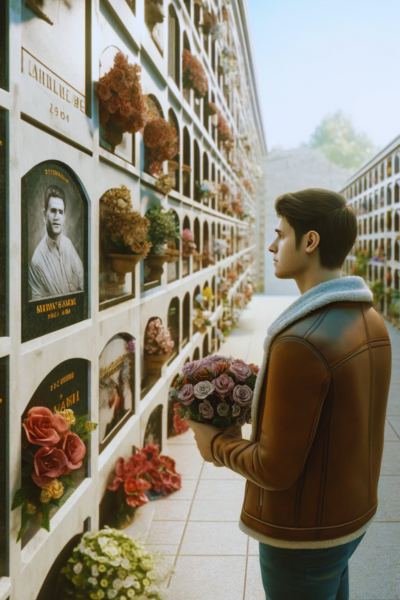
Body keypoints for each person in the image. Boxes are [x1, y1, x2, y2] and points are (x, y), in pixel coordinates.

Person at [188, 188, 392, 600]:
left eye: (280, 235)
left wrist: (217, 444)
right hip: (349, 519)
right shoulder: (371, 320)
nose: (270, 245)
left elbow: (274, 469)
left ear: (310, 242)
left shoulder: (300, 341)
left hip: (302, 539)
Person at [29, 184, 84, 301]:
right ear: (45, 215)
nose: (57, 217)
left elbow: (83, 282)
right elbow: (37, 306)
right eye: (53, 211)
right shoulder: (37, 261)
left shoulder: (68, 245)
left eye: (60, 212)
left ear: (64, 217)